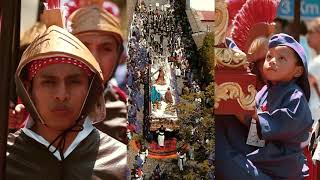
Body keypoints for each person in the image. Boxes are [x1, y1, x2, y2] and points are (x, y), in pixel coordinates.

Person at [6, 25, 127, 179]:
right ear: (28, 89)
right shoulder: (5, 158)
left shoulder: (121, 163)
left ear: (90, 89)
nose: (62, 95)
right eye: (49, 82)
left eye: (74, 81)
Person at [217, 33, 313, 179]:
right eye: (269, 57)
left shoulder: (295, 96)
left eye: (281, 58)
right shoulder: (265, 91)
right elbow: (254, 132)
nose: (272, 61)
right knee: (221, 123)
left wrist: (237, 104)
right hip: (259, 156)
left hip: (279, 172)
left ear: (298, 71)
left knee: (221, 154)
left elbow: (262, 122)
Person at [68, 2, 128, 144]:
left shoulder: (127, 113)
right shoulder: (38, 106)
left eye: (106, 48)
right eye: (83, 46)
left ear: (119, 56)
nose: (94, 59)